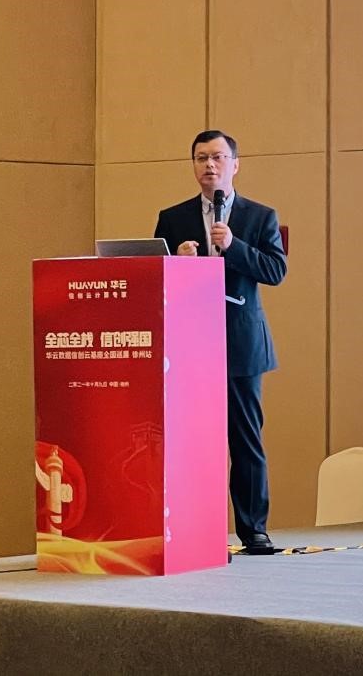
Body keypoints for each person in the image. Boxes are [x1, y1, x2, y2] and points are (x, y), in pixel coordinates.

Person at [154, 130, 287, 554]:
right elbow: (154, 275)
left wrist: (233, 246)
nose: (209, 165)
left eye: (217, 157)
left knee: (245, 441)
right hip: (190, 344)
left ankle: (254, 531)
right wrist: (176, 261)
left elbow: (275, 270)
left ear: (235, 164)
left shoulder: (260, 216)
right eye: (200, 158)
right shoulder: (172, 217)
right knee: (194, 442)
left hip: (241, 344)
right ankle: (197, 529)